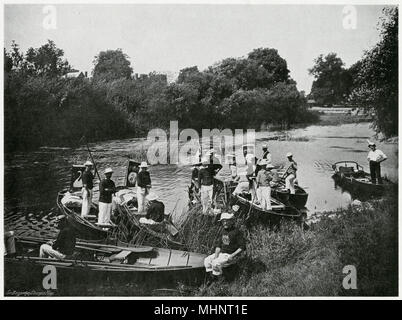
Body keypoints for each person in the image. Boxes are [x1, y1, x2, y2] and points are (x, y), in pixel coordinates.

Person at [204, 212, 246, 278]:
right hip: (222, 254)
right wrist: (216, 256)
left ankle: (220, 279)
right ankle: (212, 277)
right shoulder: (223, 231)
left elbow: (242, 247)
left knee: (215, 263)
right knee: (207, 260)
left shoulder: (236, 232)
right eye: (223, 221)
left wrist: (232, 255)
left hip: (231, 255)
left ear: (231, 221)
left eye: (227, 221)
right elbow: (218, 246)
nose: (225, 223)